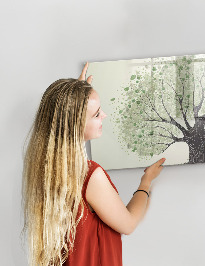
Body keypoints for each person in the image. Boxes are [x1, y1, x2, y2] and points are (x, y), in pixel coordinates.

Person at [22, 63, 166, 266]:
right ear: (76, 124)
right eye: (97, 114)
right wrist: (146, 182)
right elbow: (128, 223)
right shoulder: (90, 176)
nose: (104, 116)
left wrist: (76, 96)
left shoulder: (44, 167)